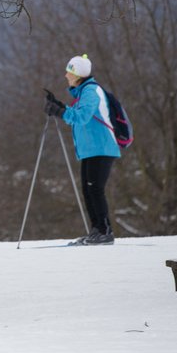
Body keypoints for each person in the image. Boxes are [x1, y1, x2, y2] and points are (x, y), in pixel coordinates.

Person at [44, 54, 120, 245]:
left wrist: (60, 112)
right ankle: (96, 230)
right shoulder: (83, 93)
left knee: (95, 190)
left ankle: (105, 231)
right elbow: (78, 114)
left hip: (101, 148)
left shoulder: (91, 92)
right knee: (88, 190)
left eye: (69, 71)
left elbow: (82, 117)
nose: (65, 75)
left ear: (77, 75)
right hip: (91, 150)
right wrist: (60, 106)